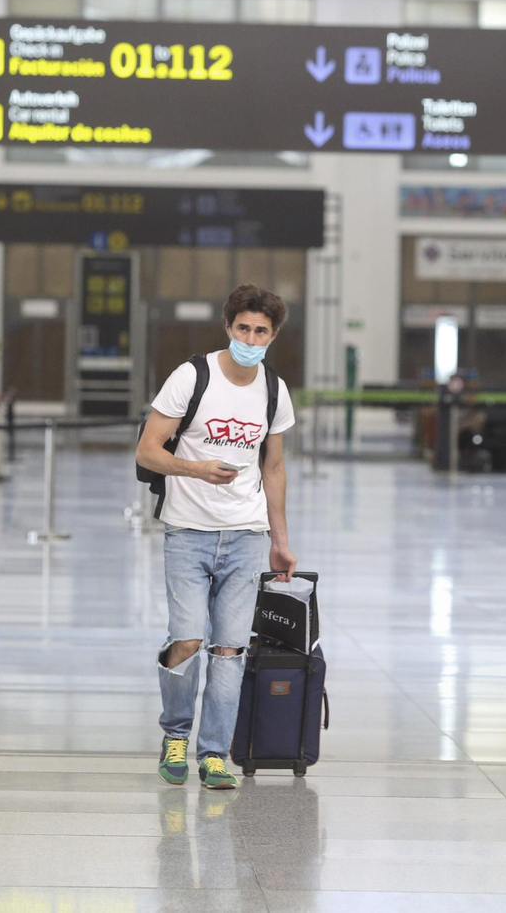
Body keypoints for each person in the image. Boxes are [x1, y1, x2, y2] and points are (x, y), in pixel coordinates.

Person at [135, 284, 297, 790]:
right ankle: (176, 735)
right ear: (228, 327)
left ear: (273, 337)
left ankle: (212, 754)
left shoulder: (274, 389)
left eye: (261, 331)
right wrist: (196, 468)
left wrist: (280, 538)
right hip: (188, 530)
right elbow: (147, 451)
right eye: (244, 328)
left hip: (246, 534)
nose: (251, 338)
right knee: (186, 640)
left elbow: (274, 467)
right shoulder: (192, 376)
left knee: (229, 650)